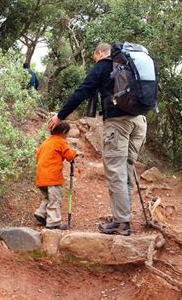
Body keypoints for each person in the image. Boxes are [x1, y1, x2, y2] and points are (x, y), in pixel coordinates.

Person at [48, 43, 147, 236]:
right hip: (140, 121)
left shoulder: (102, 66)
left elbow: (83, 91)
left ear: (100, 53)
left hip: (119, 122)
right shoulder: (130, 64)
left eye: (95, 56)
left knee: (116, 172)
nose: (95, 59)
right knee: (126, 170)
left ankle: (121, 223)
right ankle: (122, 216)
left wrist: (61, 115)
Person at [34, 121, 77, 230]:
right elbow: (69, 156)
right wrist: (75, 152)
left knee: (47, 197)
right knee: (55, 199)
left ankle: (41, 213)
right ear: (64, 132)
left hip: (41, 177)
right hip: (53, 178)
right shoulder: (60, 142)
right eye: (67, 133)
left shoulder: (45, 143)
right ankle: (53, 222)